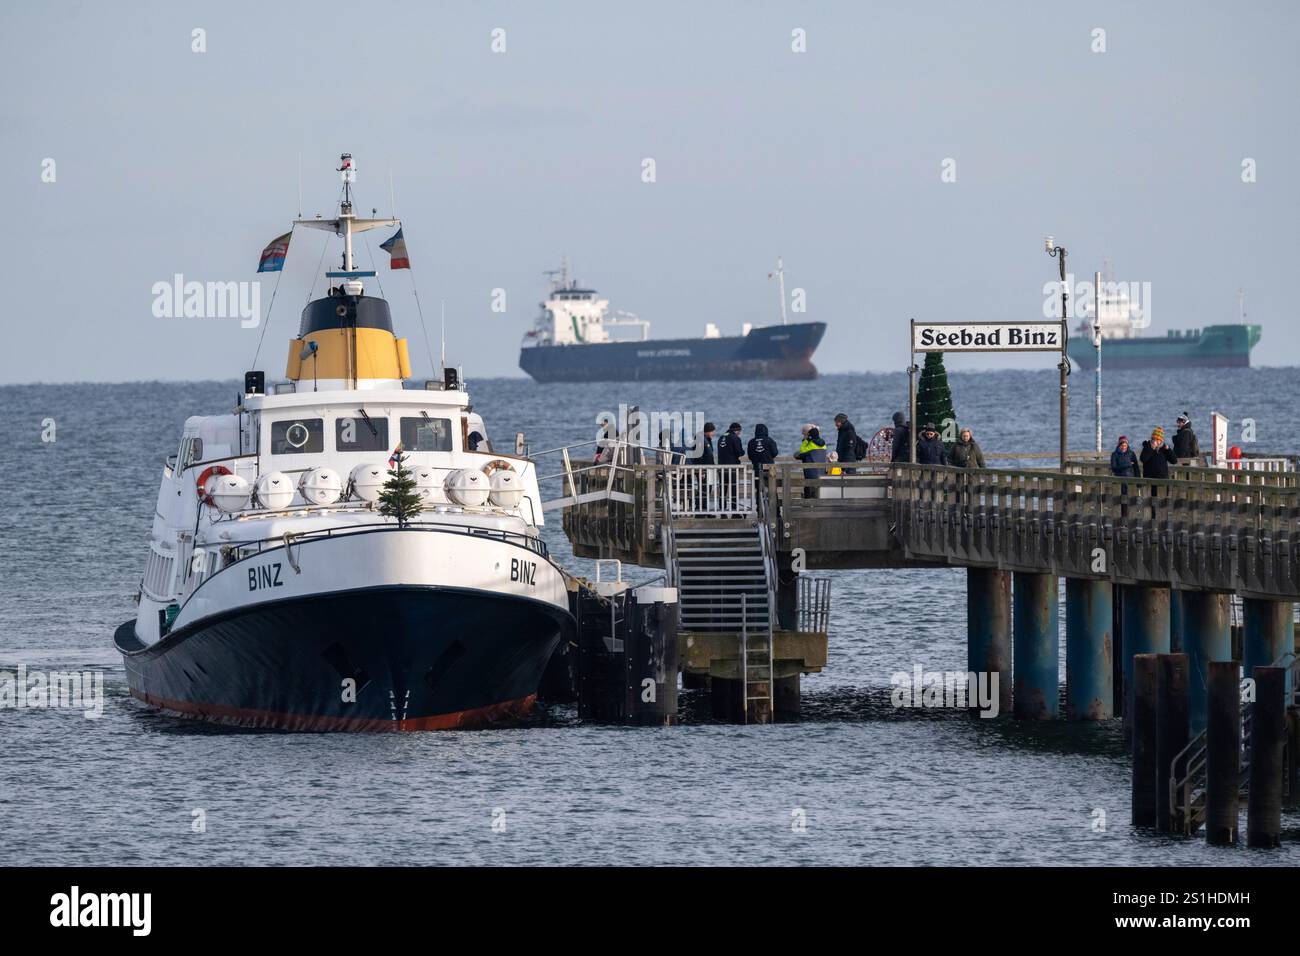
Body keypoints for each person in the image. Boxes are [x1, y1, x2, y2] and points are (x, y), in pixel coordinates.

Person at [794, 426, 829, 497]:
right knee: (818, 493)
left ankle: (807, 506)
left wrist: (805, 440)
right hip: (822, 473)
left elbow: (801, 452)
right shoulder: (824, 445)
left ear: (810, 436)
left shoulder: (812, 444)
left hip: (811, 474)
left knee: (809, 491)